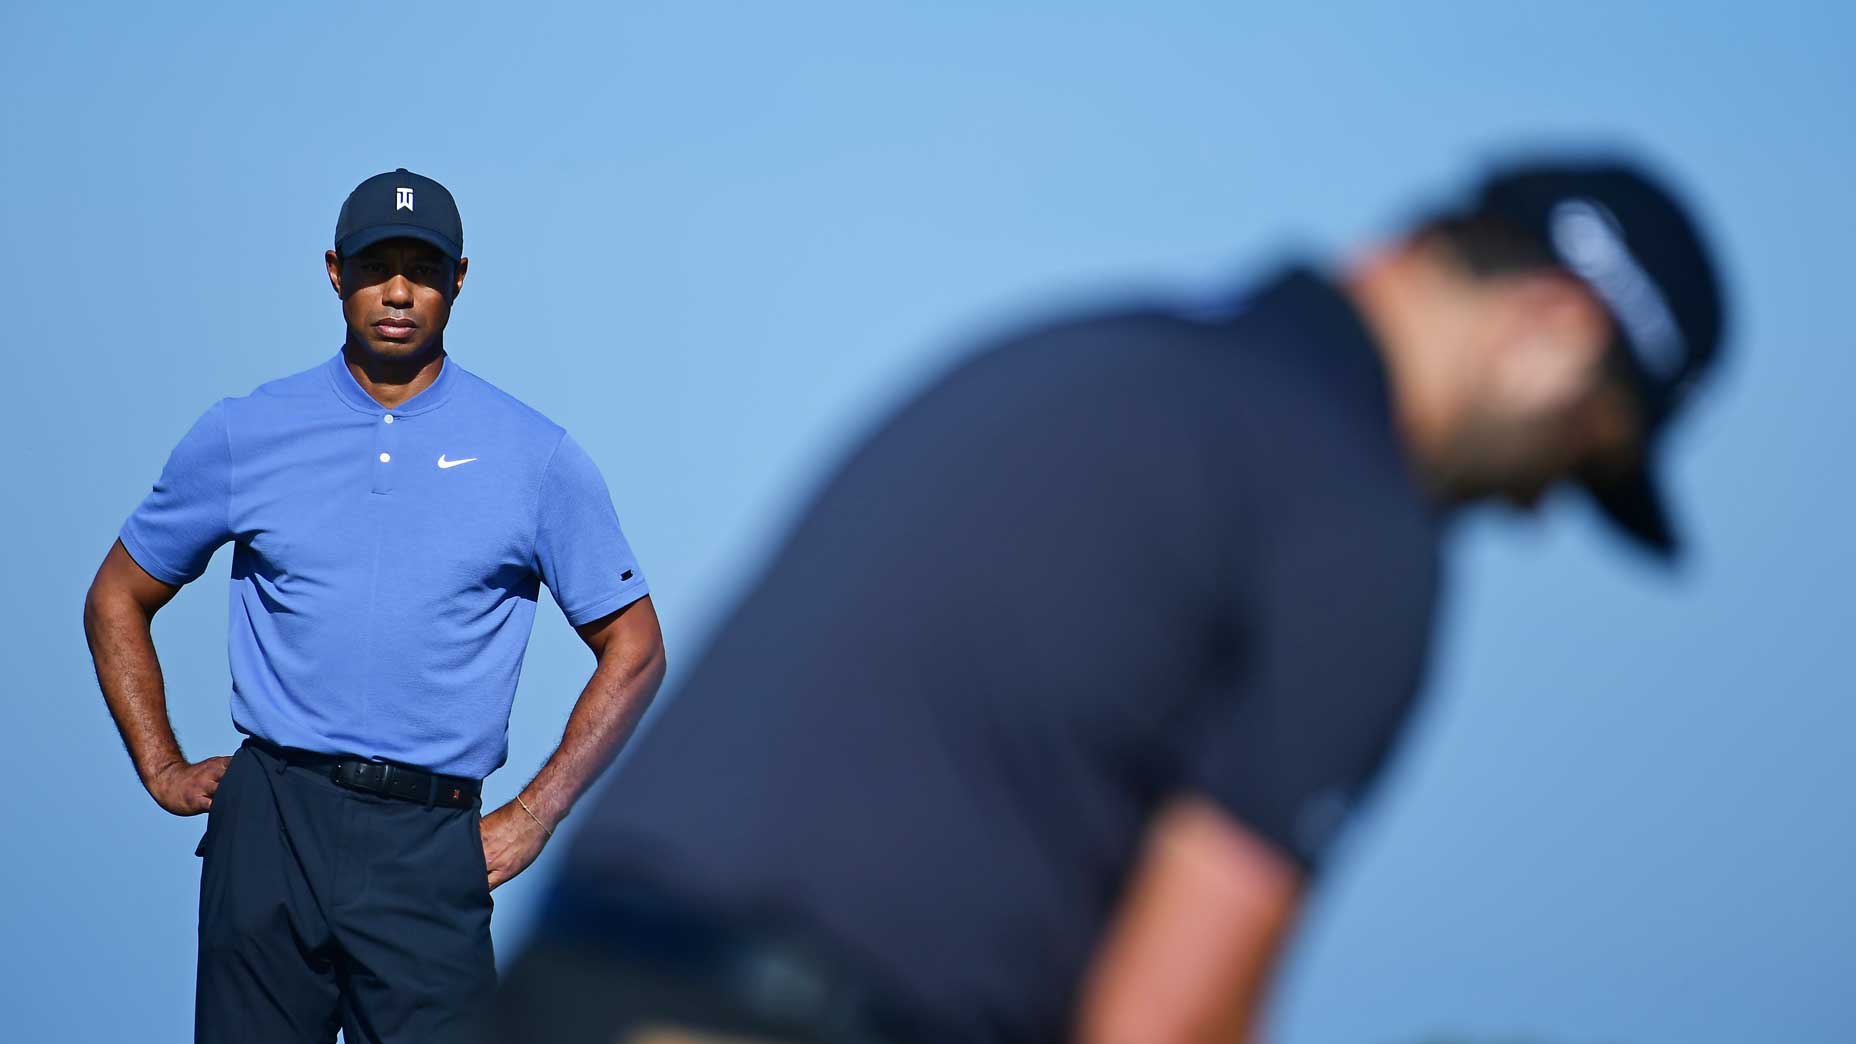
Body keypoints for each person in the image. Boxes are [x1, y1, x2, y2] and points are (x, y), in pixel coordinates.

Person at [494, 156, 1727, 1044]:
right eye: (1583, 454)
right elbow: (1163, 1022)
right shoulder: (1354, 525)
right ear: (1553, 332)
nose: (1531, 510)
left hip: (561, 988)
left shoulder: (1095, 360)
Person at [81, 168, 667, 1043]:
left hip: (430, 843)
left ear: (458, 280)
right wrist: (160, 767)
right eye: (374, 265)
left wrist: (536, 817)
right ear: (334, 271)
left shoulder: (534, 456)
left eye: (423, 268)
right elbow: (117, 596)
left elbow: (637, 648)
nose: (398, 291)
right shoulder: (246, 431)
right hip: (269, 824)